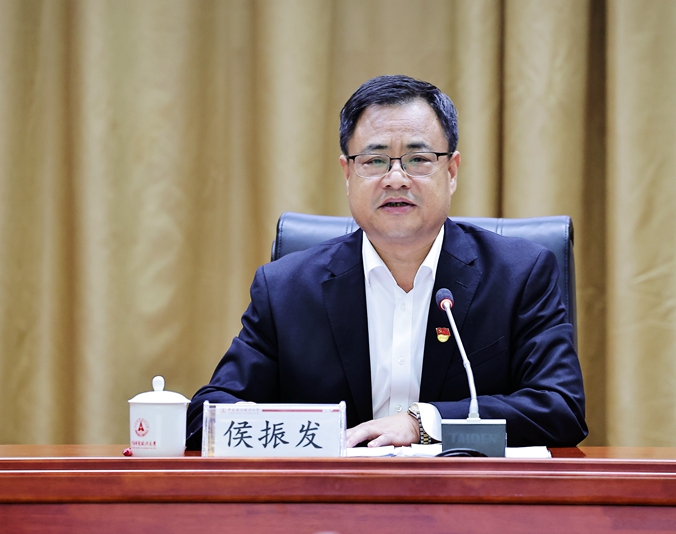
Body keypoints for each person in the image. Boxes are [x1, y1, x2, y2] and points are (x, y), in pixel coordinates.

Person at [185, 74, 588, 450]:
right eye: (375, 161)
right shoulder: (286, 289)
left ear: (451, 171)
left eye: (418, 159)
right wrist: (277, 427)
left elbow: (560, 408)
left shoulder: (518, 276)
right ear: (347, 173)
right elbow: (208, 416)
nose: (396, 179)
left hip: (465, 497)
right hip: (331, 499)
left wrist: (424, 423)